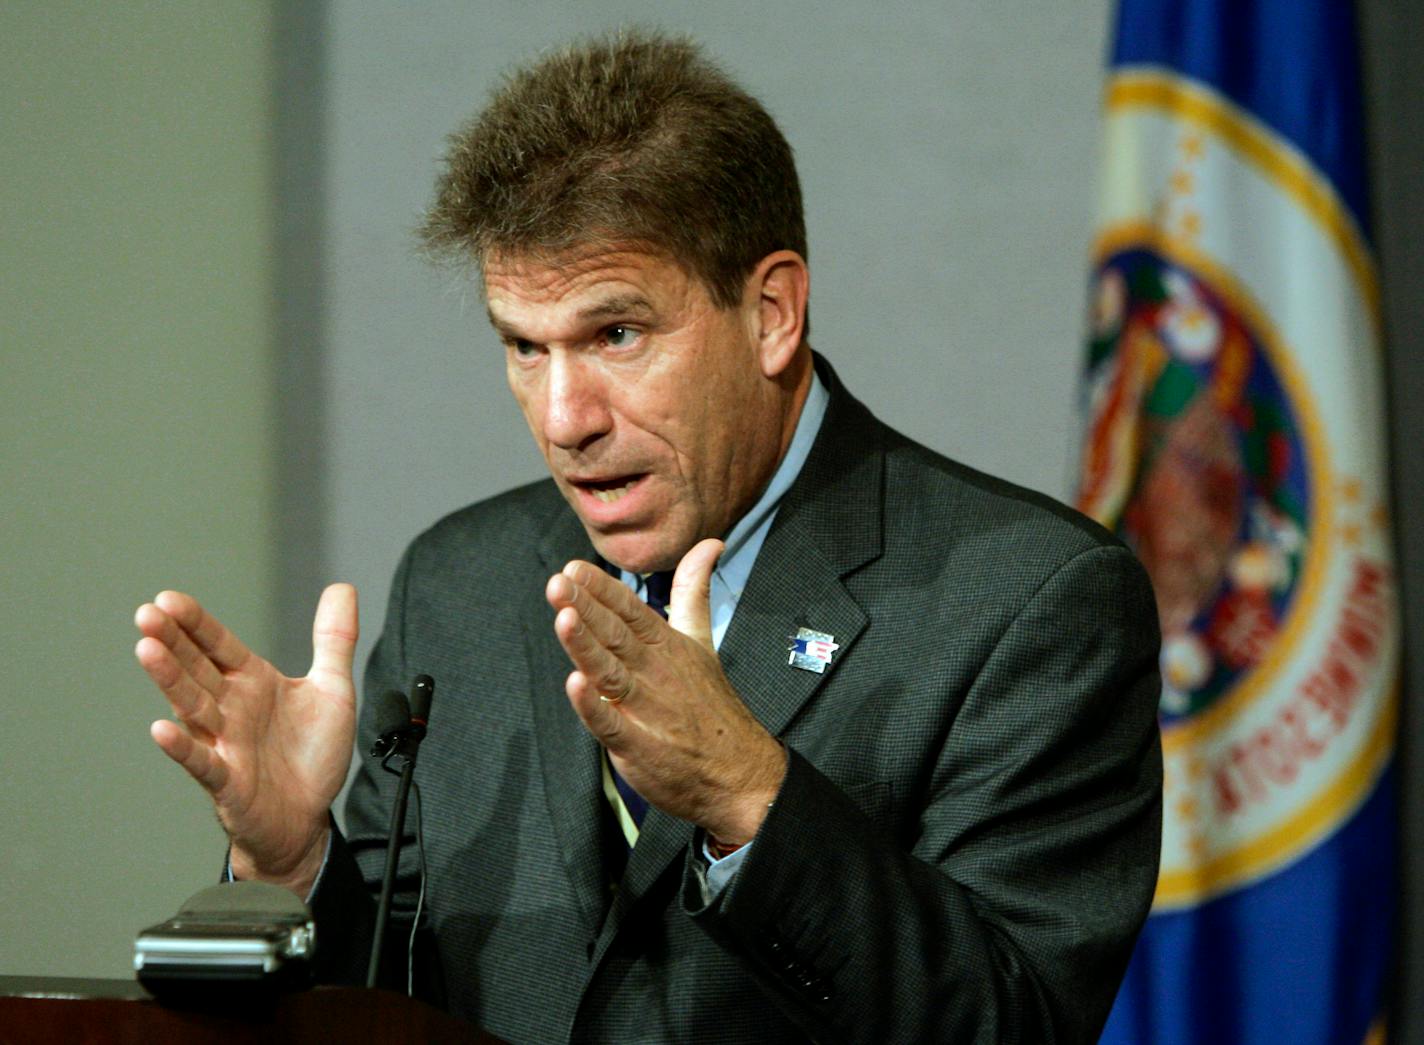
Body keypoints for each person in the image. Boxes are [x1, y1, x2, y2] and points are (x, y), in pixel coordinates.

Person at [134, 30, 1162, 1043]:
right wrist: (291, 864)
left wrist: (748, 793)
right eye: (524, 348)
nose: (563, 416)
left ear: (770, 314)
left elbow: (1010, 1022)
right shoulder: (461, 582)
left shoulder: (1027, 600)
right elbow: (394, 1000)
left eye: (614, 335)